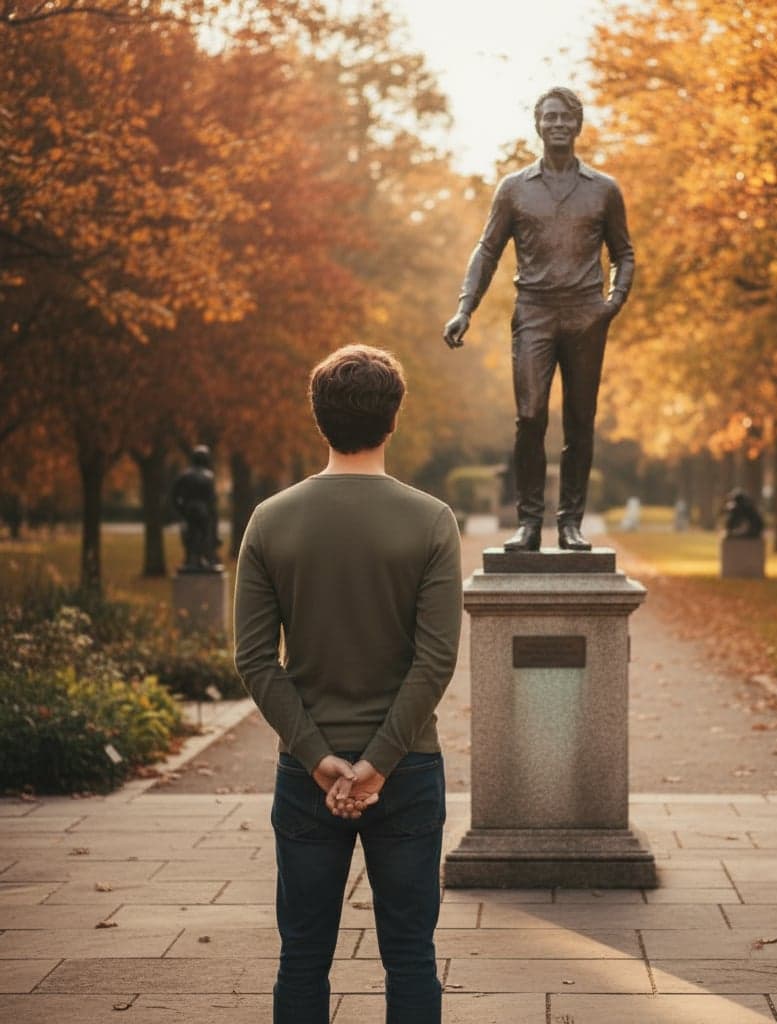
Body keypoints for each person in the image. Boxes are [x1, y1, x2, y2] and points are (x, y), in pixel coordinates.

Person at [234, 345, 463, 1024]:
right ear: (393, 421)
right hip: (409, 767)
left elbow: (254, 659)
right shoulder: (431, 521)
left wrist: (318, 757)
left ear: (319, 418)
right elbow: (436, 659)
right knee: (411, 956)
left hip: (308, 775)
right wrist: (378, 765)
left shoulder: (270, 520)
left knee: (302, 956)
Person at [443, 86, 635, 553]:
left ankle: (570, 522)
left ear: (578, 124)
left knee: (580, 420)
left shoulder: (604, 190)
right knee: (529, 416)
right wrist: (465, 307)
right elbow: (487, 251)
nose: (557, 125)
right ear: (537, 124)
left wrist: (612, 303)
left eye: (566, 117)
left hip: (586, 314)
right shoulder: (514, 189)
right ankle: (529, 523)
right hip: (534, 312)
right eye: (549, 117)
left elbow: (624, 253)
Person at [171, 444, 222, 571]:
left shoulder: (184, 475)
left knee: (190, 534)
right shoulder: (208, 476)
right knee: (205, 534)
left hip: (188, 510)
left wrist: (181, 509)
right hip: (203, 511)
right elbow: (212, 498)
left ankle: (190, 559)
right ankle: (206, 558)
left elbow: (174, 495)